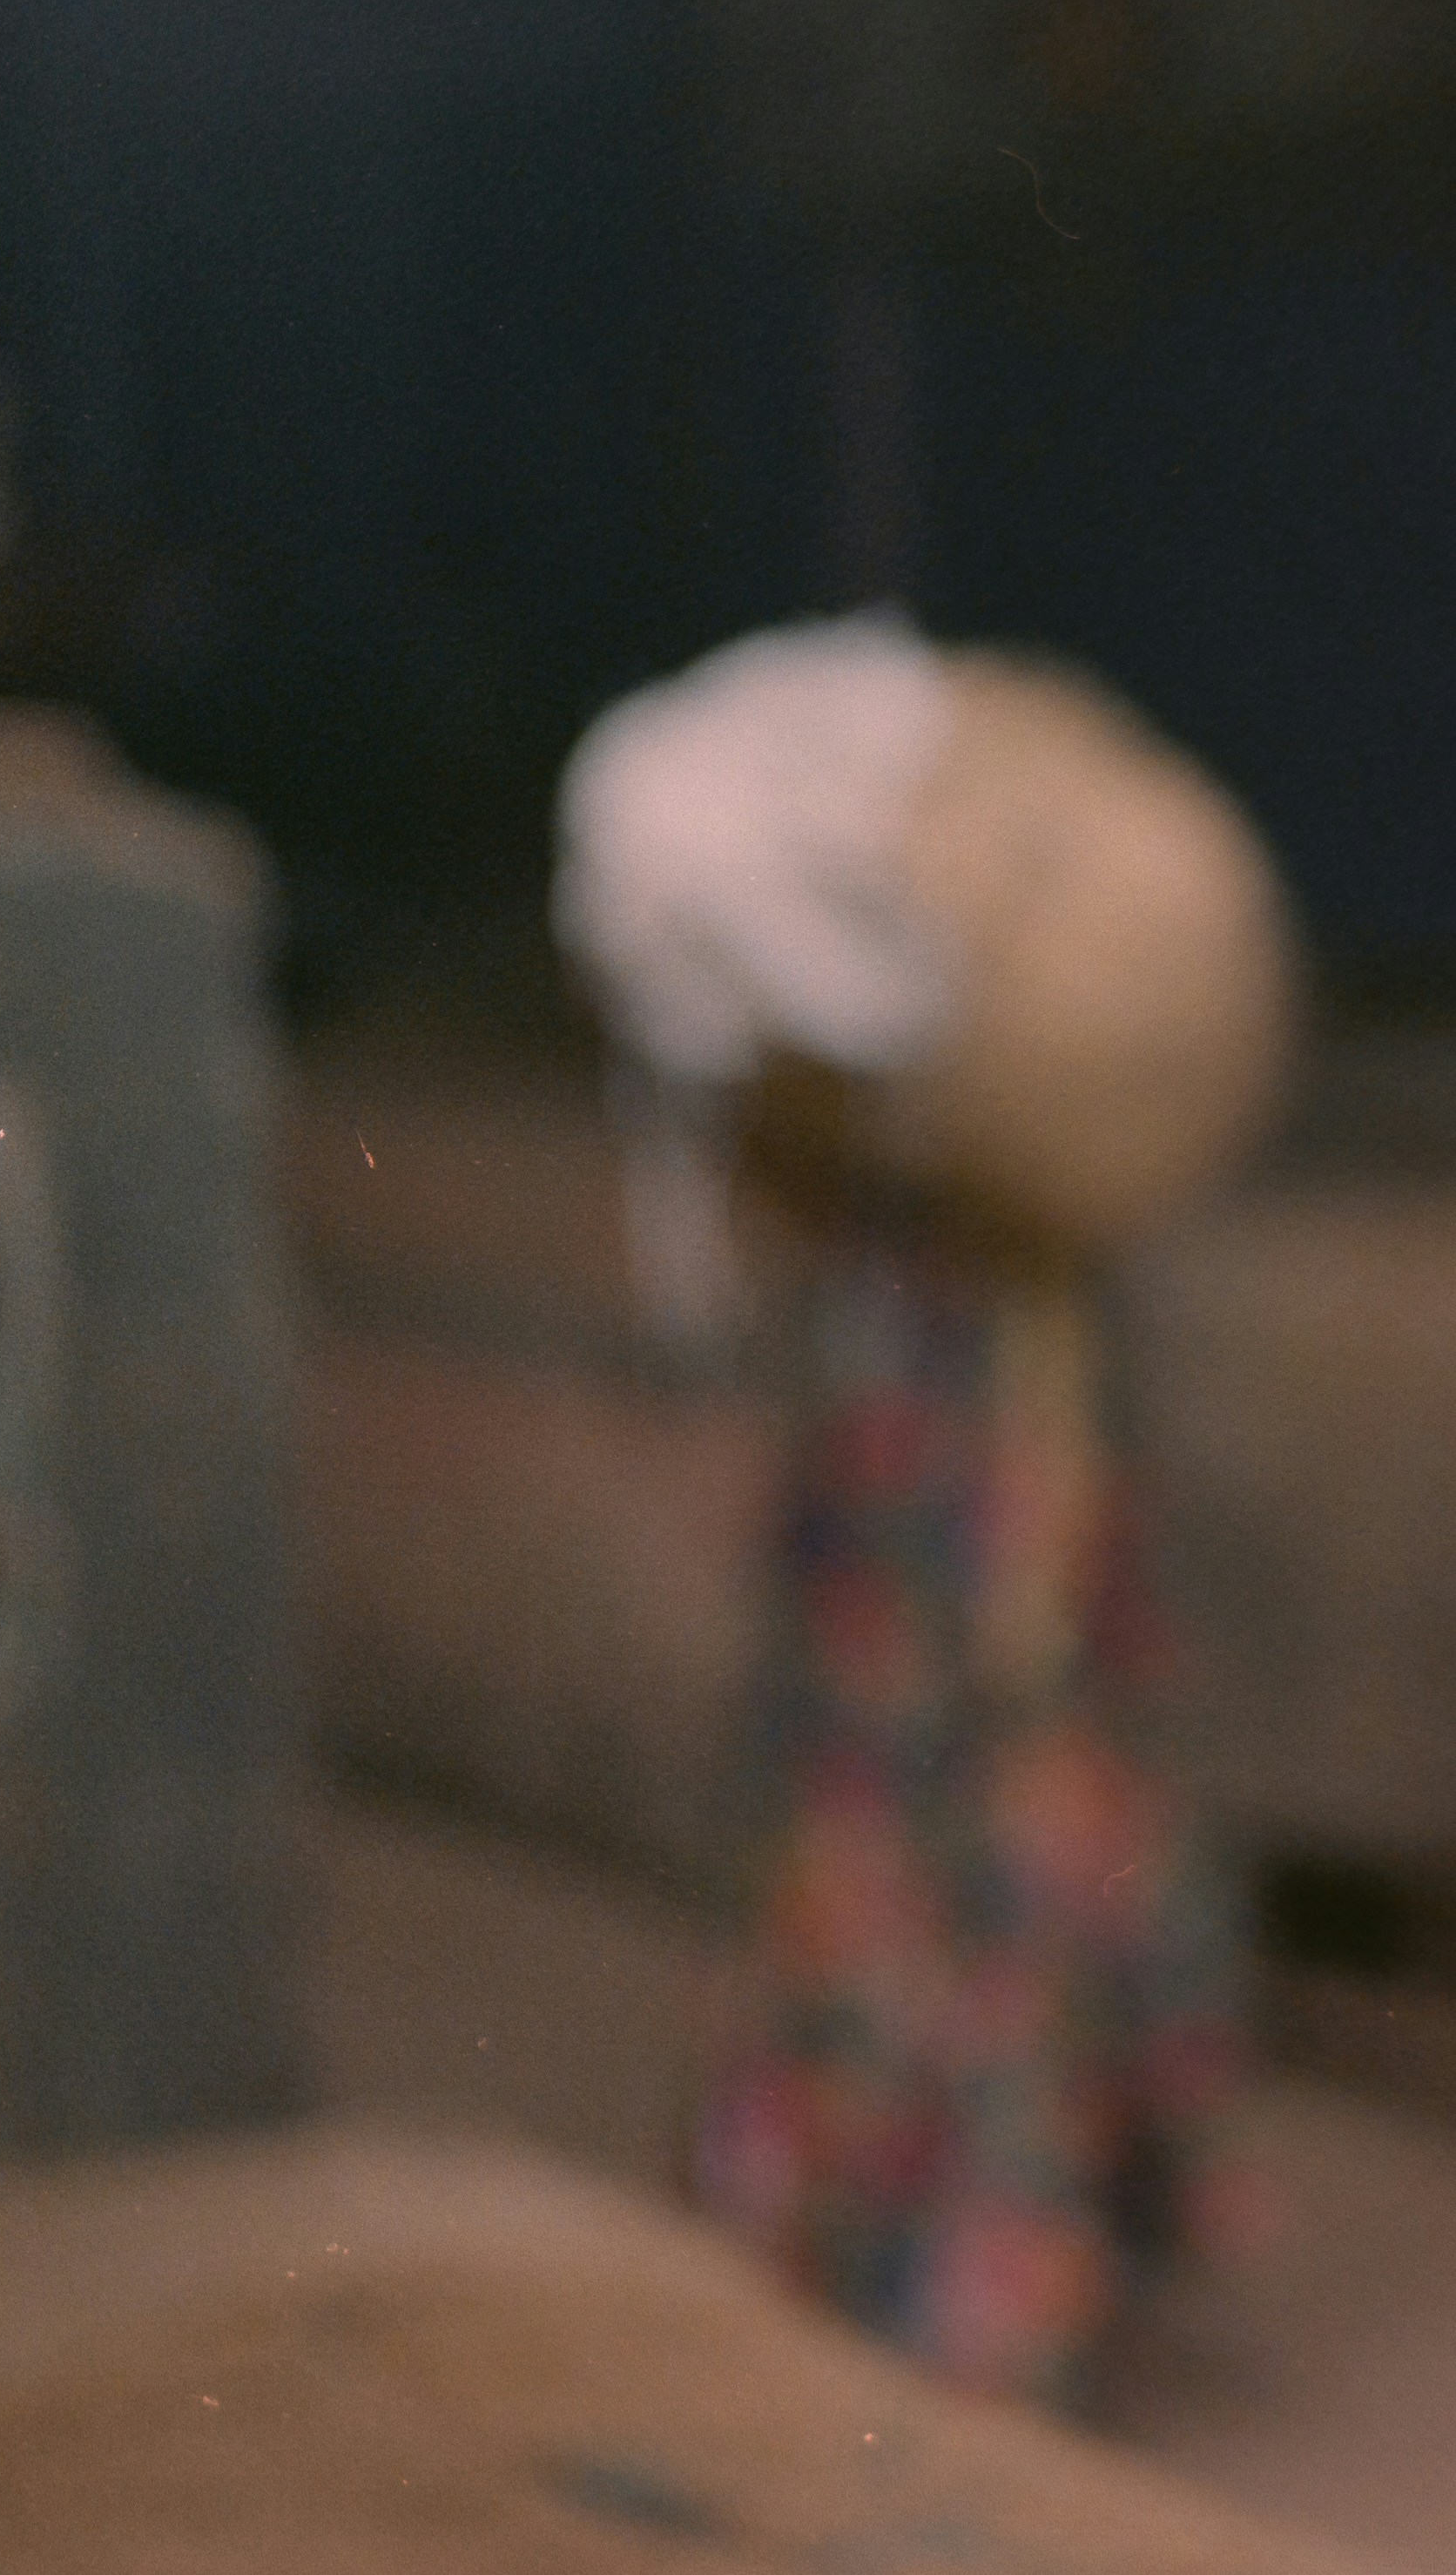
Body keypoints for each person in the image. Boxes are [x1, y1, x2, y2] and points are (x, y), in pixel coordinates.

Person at [557, 618, 1291, 2405]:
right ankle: (963, 2306)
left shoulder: (927, 1282)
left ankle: (947, 2329)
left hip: (940, 1723)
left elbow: (960, 1555)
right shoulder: (1018, 1265)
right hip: (975, 1716)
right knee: (985, 1969)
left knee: (947, 1979)